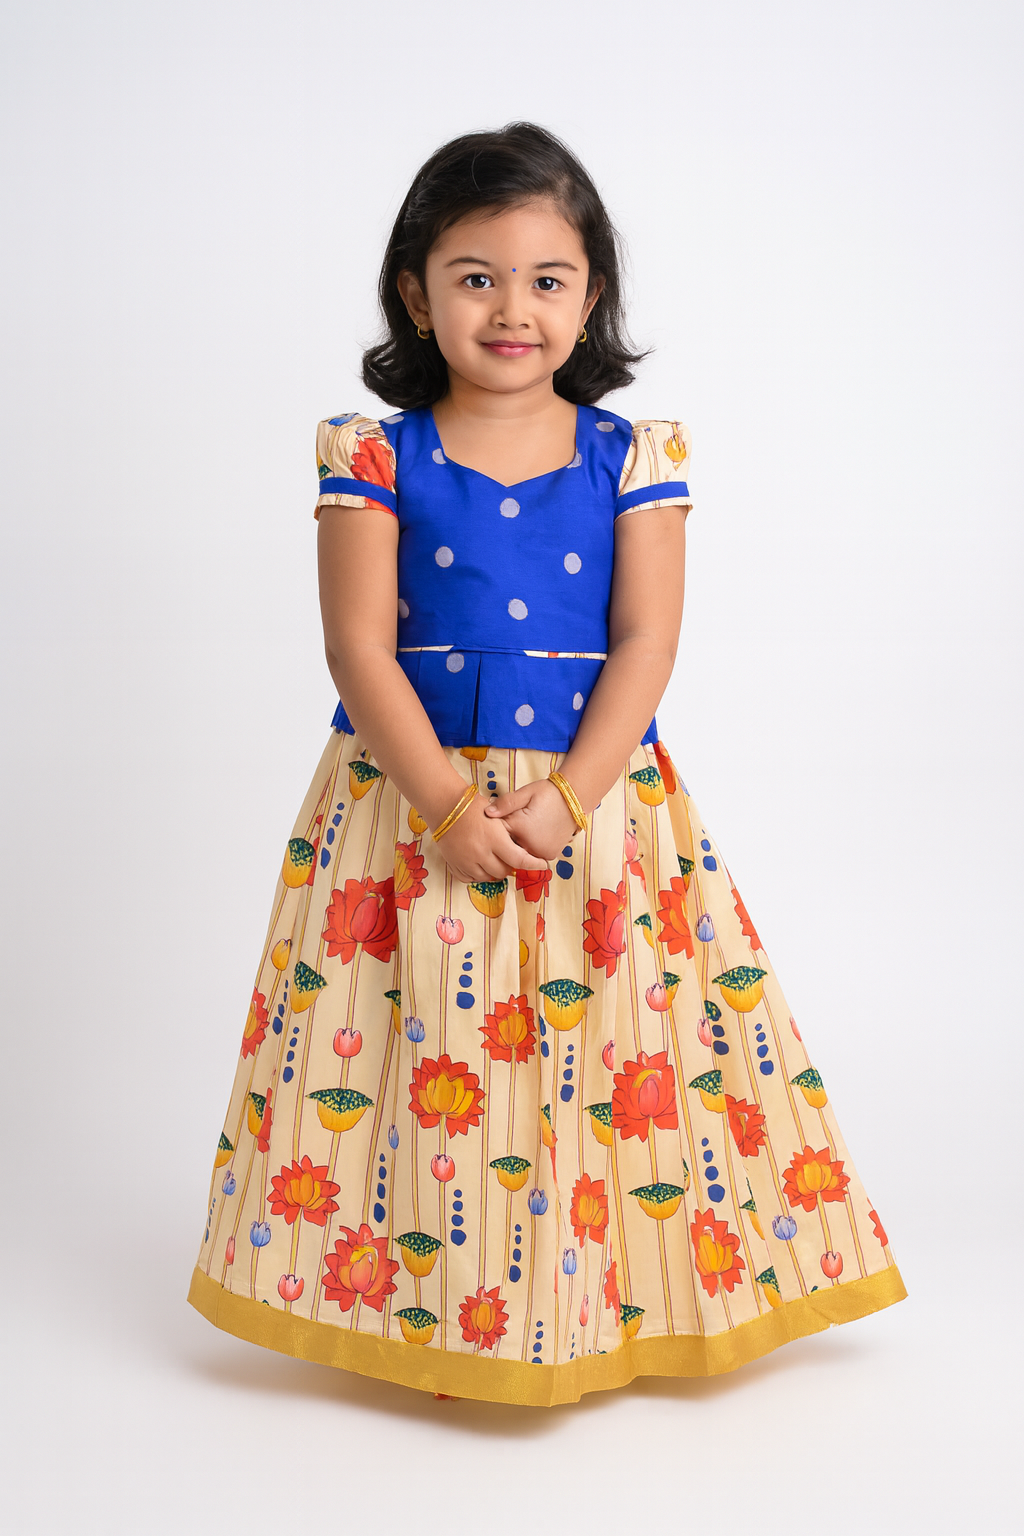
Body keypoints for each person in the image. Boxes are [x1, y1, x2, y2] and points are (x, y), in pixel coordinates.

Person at [186, 121, 907, 1409]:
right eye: (475, 277)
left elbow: (647, 641)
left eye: (546, 279)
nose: (512, 308)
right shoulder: (373, 454)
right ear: (417, 295)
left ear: (590, 296)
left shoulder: (634, 457)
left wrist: (569, 799)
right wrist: (447, 805)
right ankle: (437, 1310)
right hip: (408, 800)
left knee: (607, 1046)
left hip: (594, 803)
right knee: (423, 1043)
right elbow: (358, 649)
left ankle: (599, 1299)